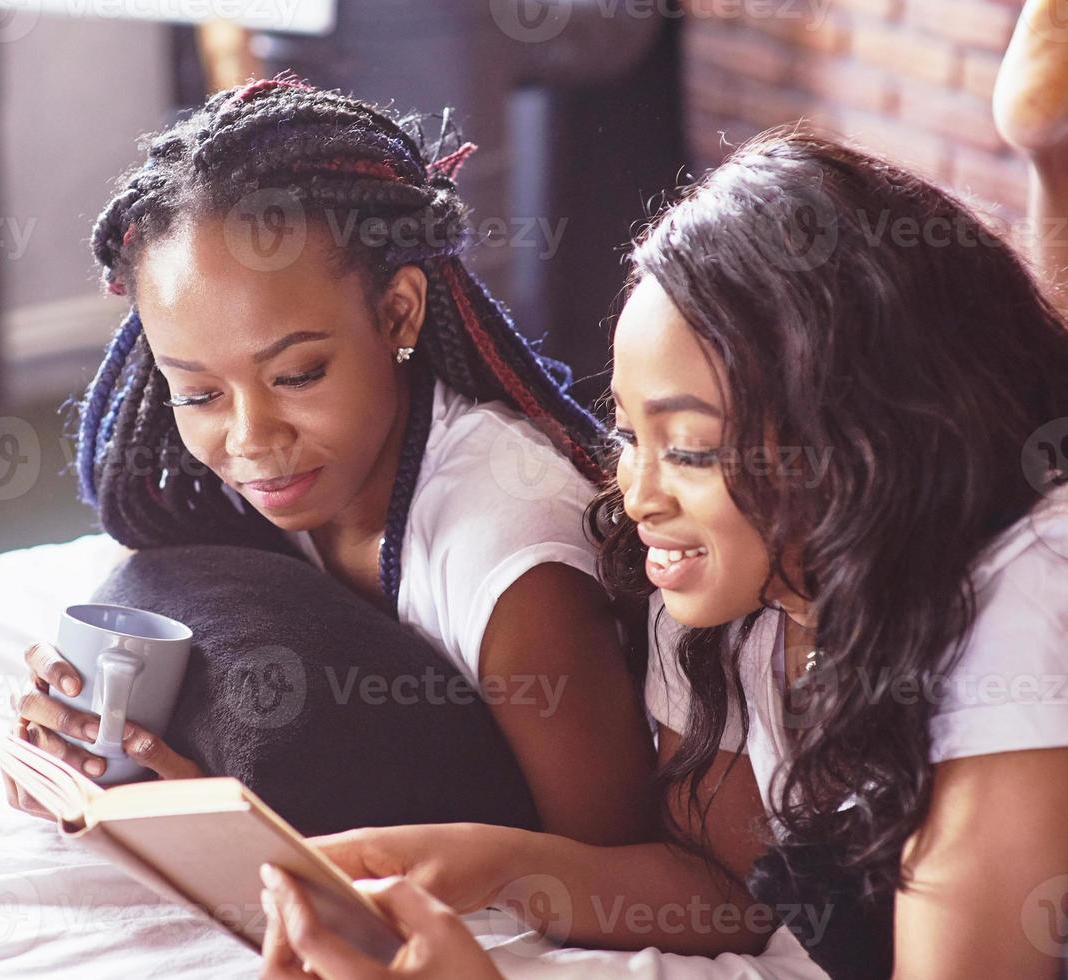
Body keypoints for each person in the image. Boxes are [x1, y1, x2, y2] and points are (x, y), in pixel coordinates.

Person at [259, 122, 1068, 979]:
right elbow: (726, 890)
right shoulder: (746, 594)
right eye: (625, 433)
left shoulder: (1025, 589)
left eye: (686, 447)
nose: (637, 496)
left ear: (862, 434)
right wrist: (489, 866)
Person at [3, 77, 657, 846]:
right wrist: (78, 737)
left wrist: (246, 836)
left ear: (396, 314)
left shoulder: (510, 561)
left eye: (298, 375)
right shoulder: (217, 493)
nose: (249, 438)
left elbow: (611, 859)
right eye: (197, 393)